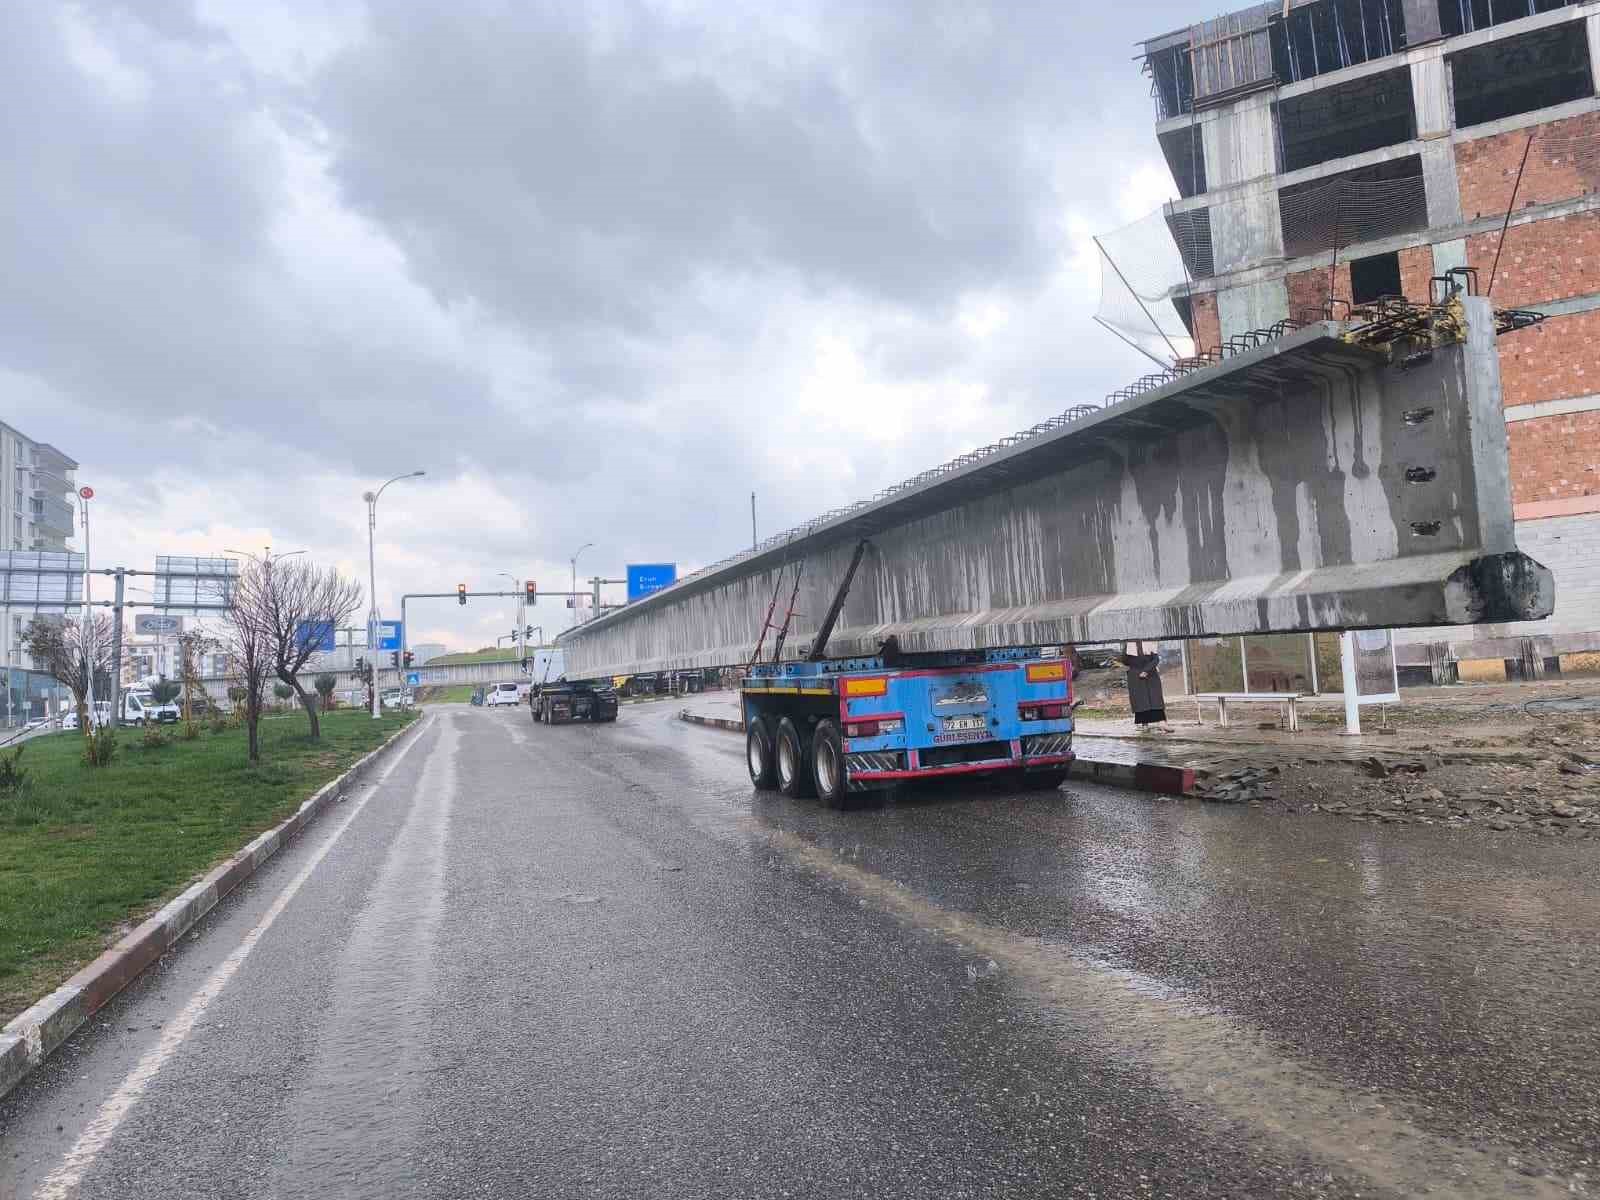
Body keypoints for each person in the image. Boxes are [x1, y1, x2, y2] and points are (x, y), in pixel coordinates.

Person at [1117, 644, 1166, 727]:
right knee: (1141, 701)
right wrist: (1125, 651)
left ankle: (1162, 723)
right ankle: (1145, 723)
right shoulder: (1128, 645)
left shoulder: (1149, 643)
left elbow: (1156, 659)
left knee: (1155, 700)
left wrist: (1146, 670)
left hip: (1150, 674)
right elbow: (1124, 660)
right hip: (1136, 675)